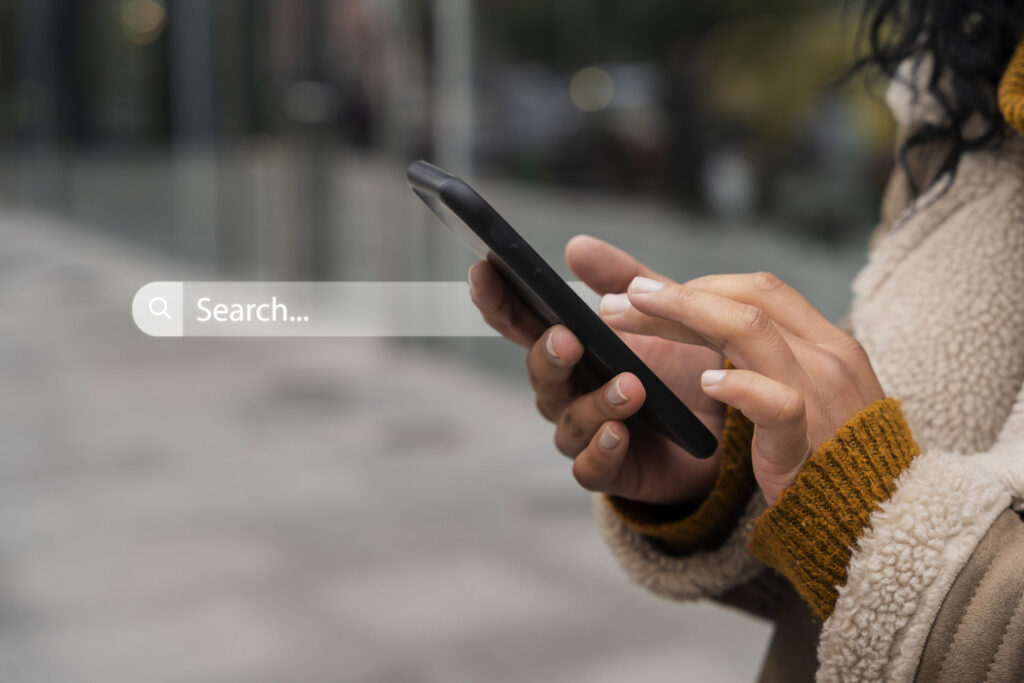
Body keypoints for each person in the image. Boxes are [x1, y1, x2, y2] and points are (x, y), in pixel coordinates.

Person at [468, 1, 1024, 680]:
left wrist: (868, 507)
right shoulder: (966, 94)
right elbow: (849, 610)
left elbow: (898, 530)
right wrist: (732, 463)